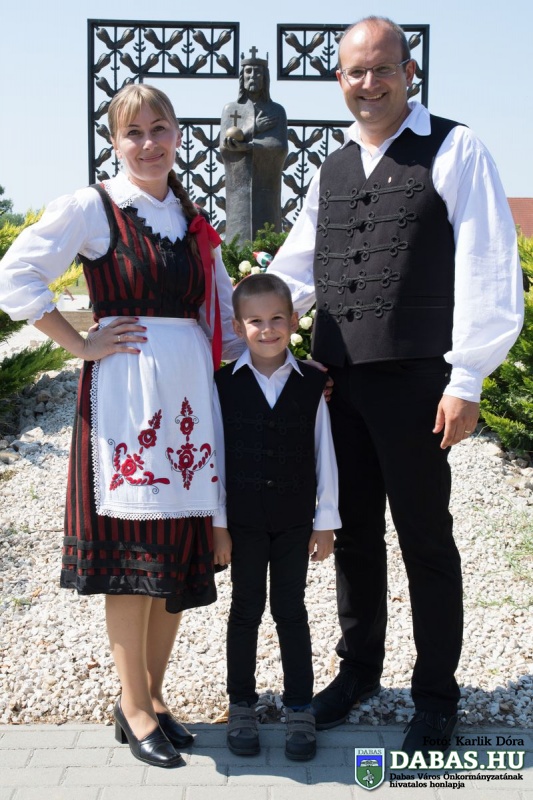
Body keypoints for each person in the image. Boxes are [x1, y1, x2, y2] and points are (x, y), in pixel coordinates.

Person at [268, 16, 524, 756]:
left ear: (409, 73)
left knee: (424, 540)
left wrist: (467, 377)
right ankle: (358, 672)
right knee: (353, 535)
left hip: (417, 384)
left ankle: (436, 697)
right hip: (337, 383)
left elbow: (486, 263)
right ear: (339, 80)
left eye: (382, 69)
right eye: (355, 71)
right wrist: (235, 325)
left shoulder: (455, 147)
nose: (369, 83)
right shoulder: (332, 167)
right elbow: (296, 270)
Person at [0, 83, 244, 768]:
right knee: (132, 562)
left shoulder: (191, 218)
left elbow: (225, 315)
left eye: (159, 128)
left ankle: (153, 698)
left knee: (174, 560)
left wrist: (287, 362)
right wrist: (80, 343)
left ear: (178, 135)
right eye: (133, 132)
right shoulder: (95, 206)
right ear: (114, 142)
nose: (148, 143)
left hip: (189, 408)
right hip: (127, 405)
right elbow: (16, 274)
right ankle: (132, 707)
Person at [212, 273, 341, 761]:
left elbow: (324, 453)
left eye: (277, 319)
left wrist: (325, 520)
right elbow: (214, 457)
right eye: (255, 321)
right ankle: (241, 704)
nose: (267, 330)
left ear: (293, 320)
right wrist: (218, 526)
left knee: (291, 610)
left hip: (294, 521)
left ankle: (300, 707)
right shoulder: (222, 384)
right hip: (242, 523)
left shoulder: (312, 384)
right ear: (238, 326)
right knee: (245, 610)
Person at [220, 48, 288, 242]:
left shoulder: (276, 111)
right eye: (248, 72)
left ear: (265, 77)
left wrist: (249, 146)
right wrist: (254, 128)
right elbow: (225, 146)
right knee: (238, 235)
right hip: (238, 185)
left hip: (266, 185)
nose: (253, 76)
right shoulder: (231, 109)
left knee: (267, 233)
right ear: (242, 77)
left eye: (258, 72)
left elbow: (279, 147)